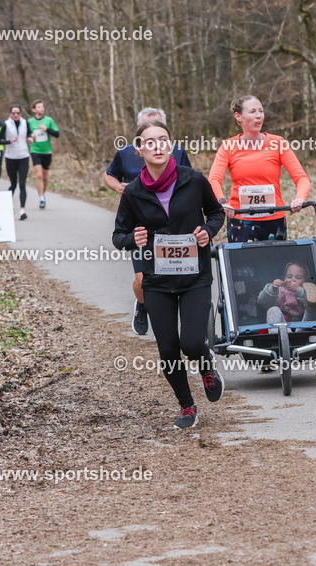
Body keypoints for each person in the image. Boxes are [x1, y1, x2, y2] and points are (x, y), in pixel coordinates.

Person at [113, 120, 225, 428]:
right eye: (150, 142)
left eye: (163, 140)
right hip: (157, 281)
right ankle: (187, 406)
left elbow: (216, 213)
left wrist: (207, 231)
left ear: (172, 144)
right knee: (167, 349)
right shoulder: (133, 192)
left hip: (194, 276)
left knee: (191, 341)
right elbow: (118, 234)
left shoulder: (194, 180)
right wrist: (131, 240)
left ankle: (207, 369)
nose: (158, 146)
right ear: (139, 151)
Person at [105, 107, 192, 336]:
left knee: (181, 274)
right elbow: (109, 174)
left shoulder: (178, 152)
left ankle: (184, 324)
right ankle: (143, 305)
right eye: (147, 125)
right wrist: (119, 186)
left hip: (173, 225)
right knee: (143, 279)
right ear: (138, 131)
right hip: (140, 226)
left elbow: (189, 180)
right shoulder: (125, 153)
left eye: (158, 125)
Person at [208, 95, 311, 242]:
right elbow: (214, 179)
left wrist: (300, 198)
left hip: (274, 219)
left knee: (274, 264)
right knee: (244, 265)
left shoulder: (278, 143)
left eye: (261, 111)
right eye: (252, 112)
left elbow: (301, 178)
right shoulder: (228, 146)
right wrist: (223, 201)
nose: (258, 116)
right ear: (238, 116)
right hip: (241, 220)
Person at [27, 99, 59, 209]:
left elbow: (57, 134)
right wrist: (31, 137)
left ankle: (43, 194)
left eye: (42, 107)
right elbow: (27, 135)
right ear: (34, 110)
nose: (42, 109)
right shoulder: (30, 122)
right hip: (35, 150)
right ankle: (41, 198)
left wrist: (47, 129)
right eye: (39, 107)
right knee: (39, 175)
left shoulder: (49, 120)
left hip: (47, 151)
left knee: (45, 177)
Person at [4, 104, 30, 220]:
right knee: (13, 184)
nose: (16, 115)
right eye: (13, 113)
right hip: (11, 157)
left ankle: (22, 210)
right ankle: (7, 208)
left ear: (20, 114)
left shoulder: (25, 123)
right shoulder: (6, 124)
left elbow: (29, 133)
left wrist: (30, 137)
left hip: (24, 156)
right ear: (10, 114)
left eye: (18, 113)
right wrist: (9, 141)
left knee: (23, 184)